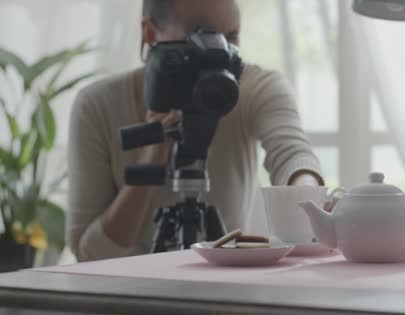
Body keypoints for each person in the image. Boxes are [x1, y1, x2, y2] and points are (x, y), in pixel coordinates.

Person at [67, 0, 323, 262]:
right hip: (129, 295)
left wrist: (308, 196)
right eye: (203, 36)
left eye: (231, 37)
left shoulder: (255, 87)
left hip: (225, 293)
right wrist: (152, 160)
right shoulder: (97, 104)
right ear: (151, 34)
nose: (221, 53)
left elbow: (292, 153)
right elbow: (90, 254)